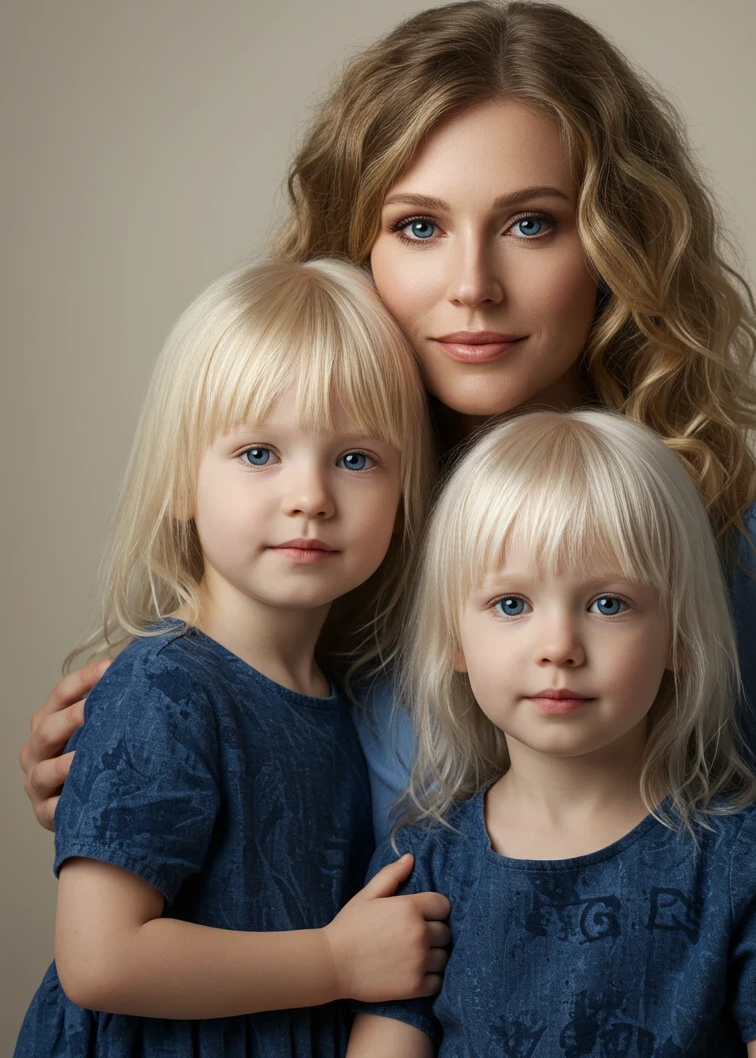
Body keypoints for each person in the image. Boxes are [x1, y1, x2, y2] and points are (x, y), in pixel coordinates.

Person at [19, 0, 756, 1056]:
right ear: (357, 250)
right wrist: (137, 769)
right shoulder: (333, 552)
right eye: (417, 225)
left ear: (620, 244)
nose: (471, 287)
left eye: (531, 222)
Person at [15, 258, 450, 1057]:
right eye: (259, 454)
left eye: (356, 459)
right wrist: (334, 959)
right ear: (184, 478)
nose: (310, 495)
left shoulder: (339, 698)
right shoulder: (164, 685)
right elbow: (99, 959)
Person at [348, 408, 756, 1056]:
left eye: (608, 604)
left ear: (678, 635)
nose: (559, 647)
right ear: (455, 640)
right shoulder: (419, 865)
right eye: (511, 604)